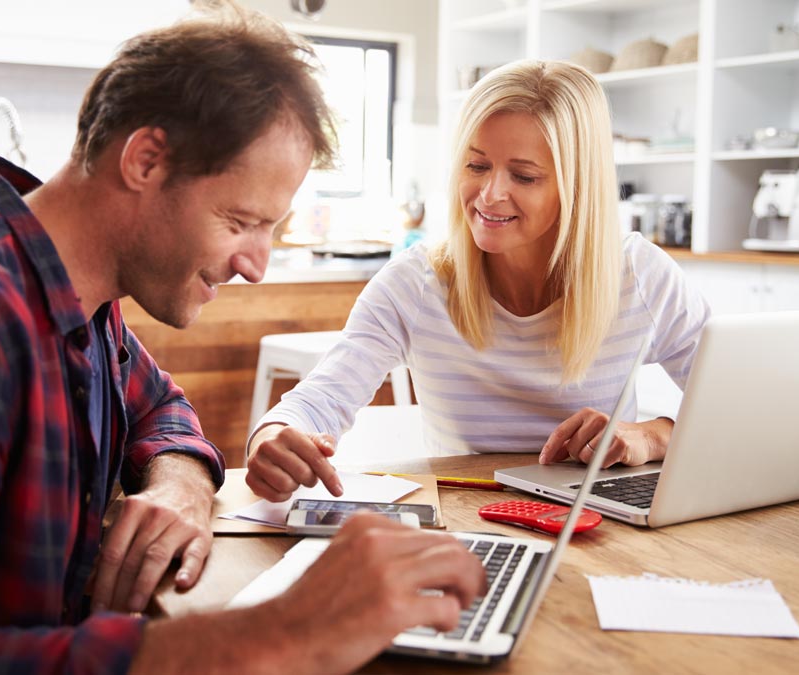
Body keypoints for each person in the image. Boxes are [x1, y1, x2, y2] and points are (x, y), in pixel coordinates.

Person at [0, 5, 486, 674]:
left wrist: (179, 484)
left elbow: (166, 411)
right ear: (145, 160)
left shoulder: (81, 302)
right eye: (240, 221)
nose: (255, 264)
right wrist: (274, 636)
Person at [246, 60, 710, 503]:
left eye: (524, 176)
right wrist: (273, 436)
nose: (489, 195)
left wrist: (652, 435)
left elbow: (739, 411)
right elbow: (320, 398)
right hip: (462, 518)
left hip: (596, 520)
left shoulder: (641, 276)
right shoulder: (416, 284)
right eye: (477, 166)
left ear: (578, 187)